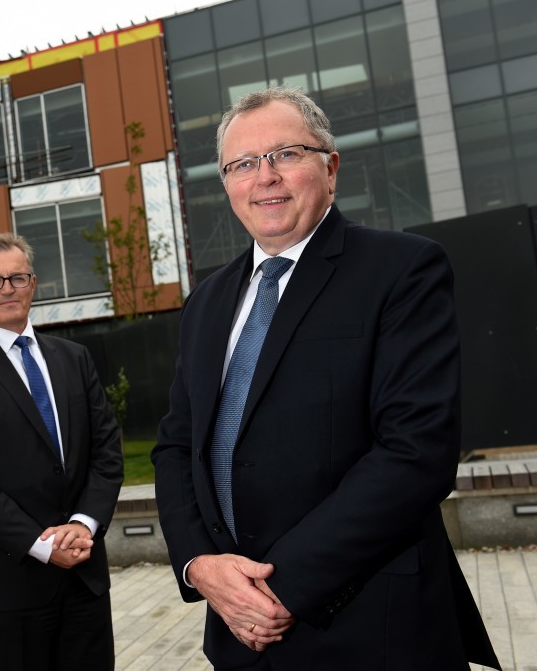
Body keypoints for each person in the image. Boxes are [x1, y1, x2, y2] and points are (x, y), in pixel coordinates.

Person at [151, 87, 501, 670]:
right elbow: (176, 445)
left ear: (330, 167)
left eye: (285, 154)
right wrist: (199, 566)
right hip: (240, 634)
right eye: (243, 164)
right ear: (227, 183)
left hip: (371, 625)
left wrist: (280, 587)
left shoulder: (402, 270)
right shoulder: (207, 301)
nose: (264, 177)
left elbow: (416, 452)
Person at [0, 232, 123, 671]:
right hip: (8, 584)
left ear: (33, 283)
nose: (8, 289)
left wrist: (83, 523)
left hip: (83, 575)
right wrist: (40, 544)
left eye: (17, 277)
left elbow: (107, 450)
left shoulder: (74, 358)